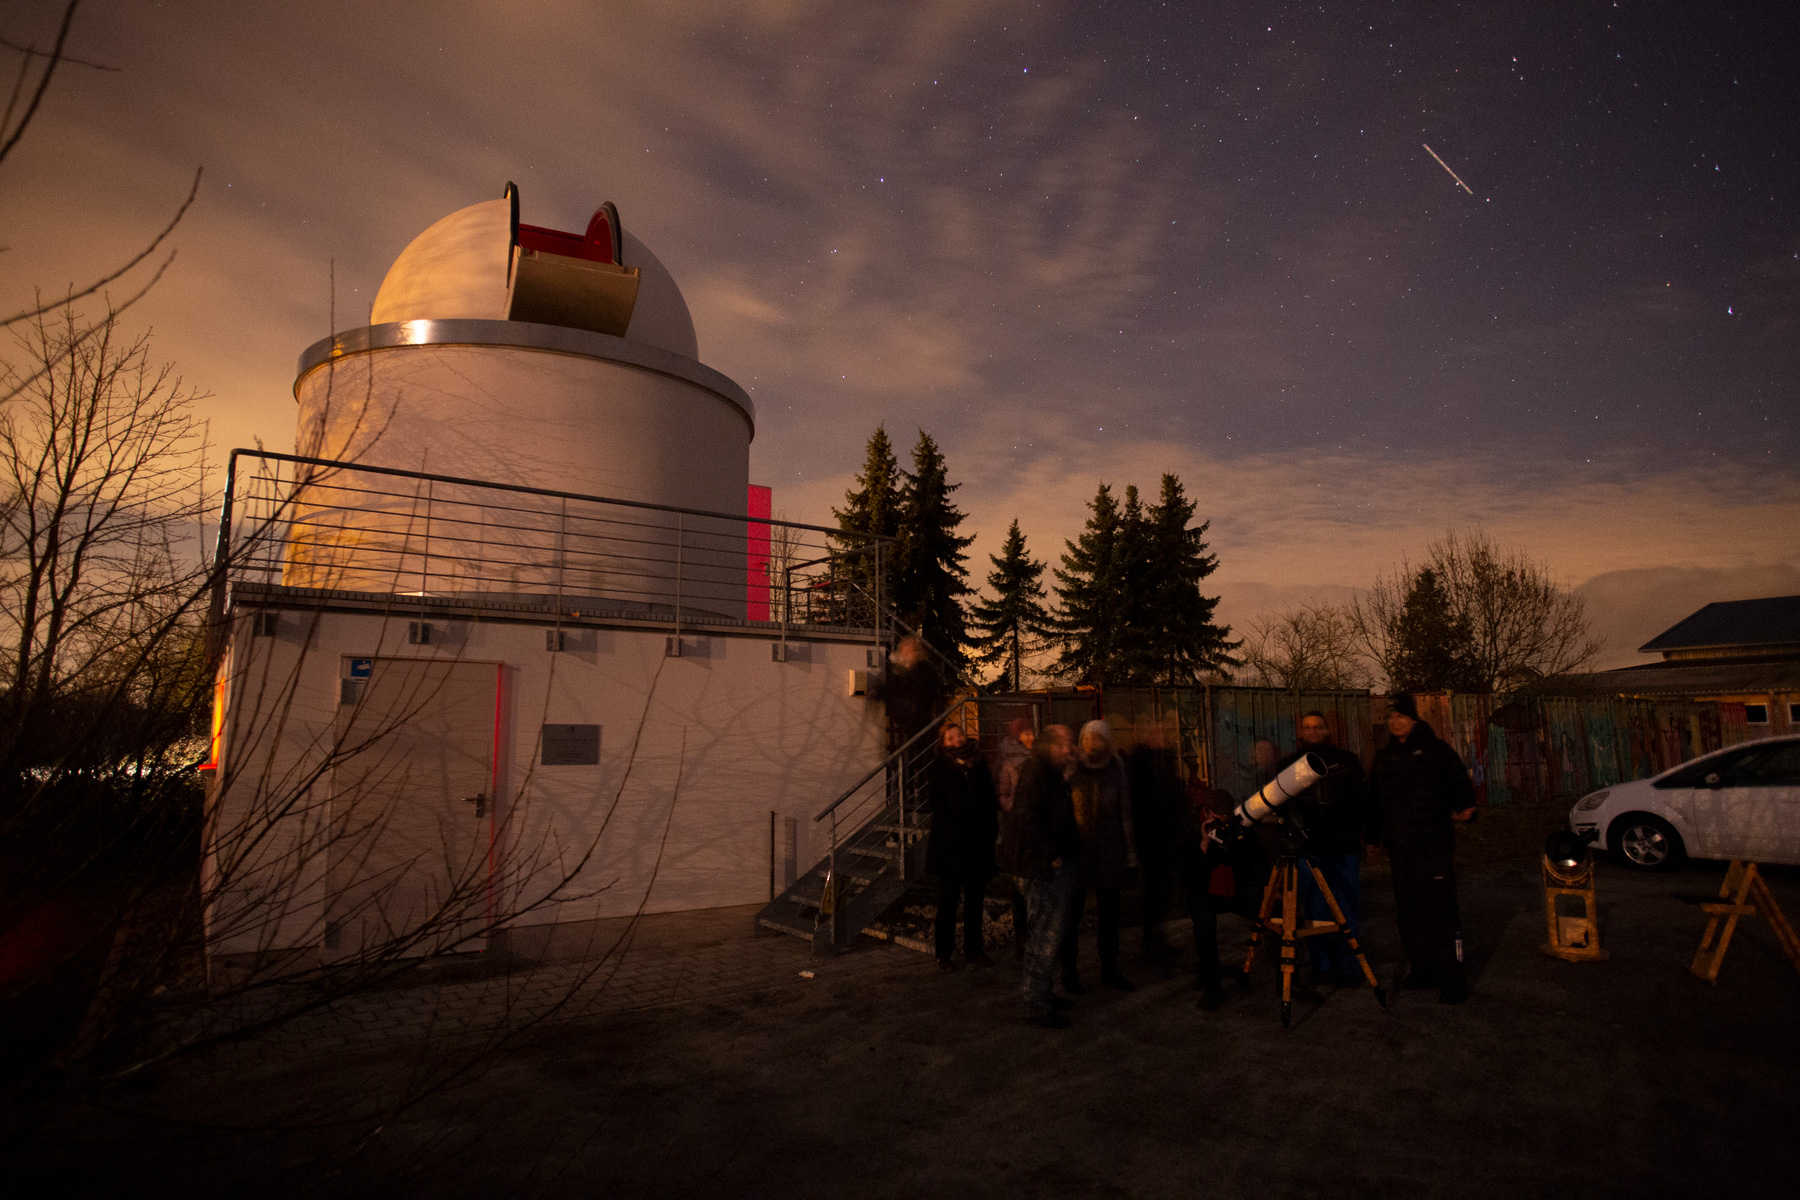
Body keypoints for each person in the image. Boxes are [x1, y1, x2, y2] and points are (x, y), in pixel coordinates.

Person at [1368, 693, 1478, 1005]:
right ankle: (1423, 968)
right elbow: (1376, 802)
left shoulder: (1437, 751)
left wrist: (1466, 809)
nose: (1395, 722)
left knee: (1441, 911)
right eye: (1391, 717)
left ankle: (1453, 977)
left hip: (1432, 846)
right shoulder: (1385, 757)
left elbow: (1460, 786)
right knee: (1409, 912)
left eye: (1401, 716)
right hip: (1400, 850)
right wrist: (1373, 838)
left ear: (1415, 719)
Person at [1279, 711, 1372, 988]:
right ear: (1301, 732)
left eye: (1319, 727)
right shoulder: (1289, 765)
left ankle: (1349, 967)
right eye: (1308, 727)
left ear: (1328, 730)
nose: (1314, 731)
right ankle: (1322, 966)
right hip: (1310, 847)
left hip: (1344, 845)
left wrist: (1365, 833)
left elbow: (1362, 801)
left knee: (1346, 907)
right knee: (1316, 909)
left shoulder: (1347, 762)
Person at [996, 724, 1081, 1028]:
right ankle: (1036, 1004)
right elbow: (1028, 817)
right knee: (1043, 938)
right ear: (1050, 746)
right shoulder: (1037, 773)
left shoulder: (1050, 772)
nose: (1070, 749)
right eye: (1065, 744)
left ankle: (1042, 993)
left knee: (1047, 937)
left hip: (1046, 864)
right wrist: (1051, 853)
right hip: (1041, 868)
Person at [1061, 719, 1136, 993]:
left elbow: (1124, 814)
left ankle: (1110, 968)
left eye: (1099, 738)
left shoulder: (1117, 770)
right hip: (1078, 852)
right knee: (1072, 915)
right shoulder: (1072, 770)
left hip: (1109, 851)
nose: (1094, 743)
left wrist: (1130, 854)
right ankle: (1069, 970)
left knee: (1109, 915)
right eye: (1089, 738)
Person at [925, 723, 999, 971]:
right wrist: (952, 830)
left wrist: (990, 831)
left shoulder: (978, 764)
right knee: (948, 900)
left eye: (958, 735)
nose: (956, 740)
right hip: (951, 846)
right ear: (944, 742)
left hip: (977, 844)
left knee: (975, 900)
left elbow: (989, 798)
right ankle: (943, 953)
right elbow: (936, 802)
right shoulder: (940, 766)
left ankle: (974, 950)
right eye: (950, 737)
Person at [1179, 786, 1252, 1010]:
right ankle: (1213, 990)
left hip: (1232, 886)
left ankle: (1287, 979)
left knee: (1270, 907)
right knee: (1204, 922)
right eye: (1219, 815)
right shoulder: (1190, 828)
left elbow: (1253, 857)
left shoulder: (1235, 823)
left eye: (1227, 815)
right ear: (1207, 811)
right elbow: (1186, 873)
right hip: (1202, 889)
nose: (1223, 819)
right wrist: (1204, 843)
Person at [1128, 714, 1185, 971]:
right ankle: (1150, 942)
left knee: (1164, 891)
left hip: (1169, 837)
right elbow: (1139, 804)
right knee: (1153, 892)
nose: (1163, 737)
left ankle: (1157, 938)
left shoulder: (1167, 758)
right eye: (1158, 732)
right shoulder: (1140, 762)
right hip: (1151, 839)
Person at [995, 717, 1036, 960]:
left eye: (1032, 733)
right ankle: (1022, 939)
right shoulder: (1008, 763)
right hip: (1019, 831)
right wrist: (1021, 808)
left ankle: (1037, 936)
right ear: (1017, 736)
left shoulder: (1039, 759)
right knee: (1020, 889)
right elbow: (1002, 796)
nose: (1031, 737)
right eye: (1026, 733)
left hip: (1037, 830)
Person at [877, 635, 945, 752]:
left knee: (920, 753)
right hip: (899, 723)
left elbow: (921, 693)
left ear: (917, 652)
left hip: (919, 723)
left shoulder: (926, 672)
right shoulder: (895, 671)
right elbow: (890, 691)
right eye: (903, 651)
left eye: (909, 651)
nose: (905, 654)